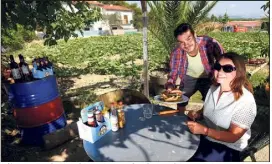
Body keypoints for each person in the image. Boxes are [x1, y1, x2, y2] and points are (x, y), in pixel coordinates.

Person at [186, 52, 257, 162]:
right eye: (217, 67)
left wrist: (204, 130)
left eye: (227, 69)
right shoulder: (213, 88)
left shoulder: (245, 100)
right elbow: (212, 110)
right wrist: (198, 114)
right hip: (207, 139)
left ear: (238, 72)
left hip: (228, 148)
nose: (220, 71)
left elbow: (233, 136)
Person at [164, 23, 225, 108]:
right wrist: (170, 86)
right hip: (189, 77)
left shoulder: (209, 42)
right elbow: (173, 73)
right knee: (181, 101)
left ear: (195, 35)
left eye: (189, 39)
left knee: (211, 102)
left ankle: (204, 117)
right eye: (182, 42)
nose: (186, 44)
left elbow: (223, 59)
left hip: (209, 76)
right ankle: (181, 118)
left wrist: (220, 77)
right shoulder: (176, 52)